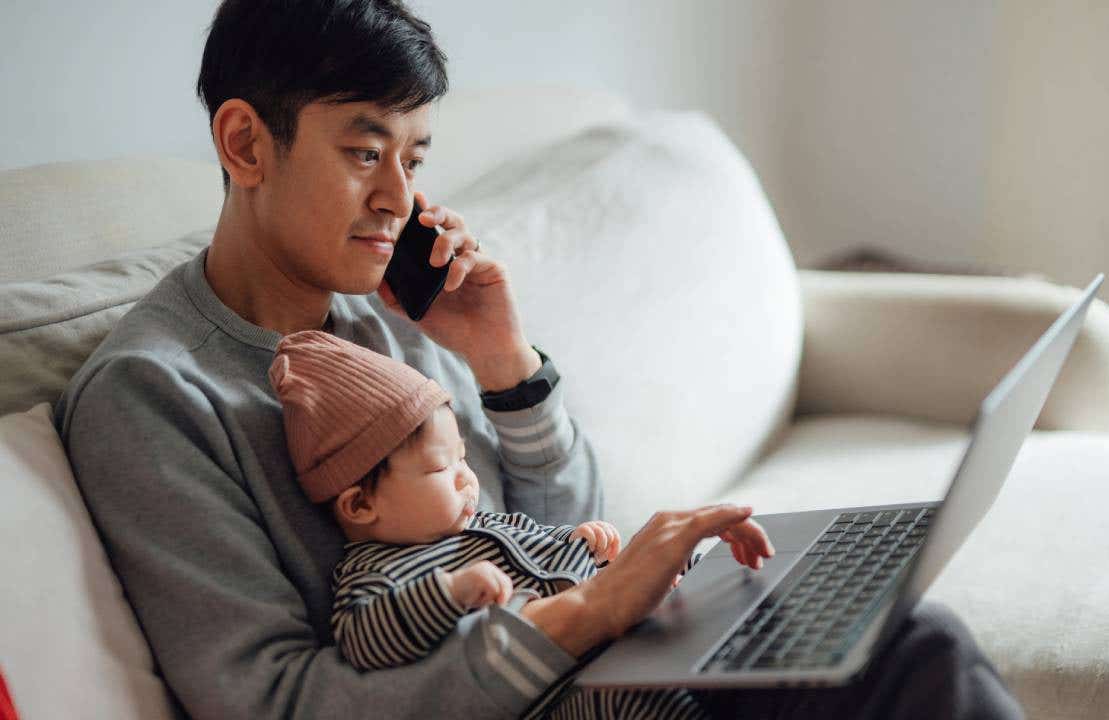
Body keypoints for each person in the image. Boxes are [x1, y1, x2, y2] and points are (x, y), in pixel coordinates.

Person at [53, 1, 1026, 718]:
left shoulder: (380, 323)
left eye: (414, 158)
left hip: (596, 674)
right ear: (245, 142)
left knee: (907, 643)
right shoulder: (150, 397)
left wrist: (498, 356)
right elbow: (275, 703)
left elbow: (554, 527)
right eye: (363, 152)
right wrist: (586, 616)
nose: (397, 195)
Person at [268, 329, 747, 719]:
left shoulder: (487, 525)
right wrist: (451, 593)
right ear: (359, 506)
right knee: (632, 700)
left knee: (713, 592)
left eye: (464, 459)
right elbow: (365, 640)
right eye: (441, 469)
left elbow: (544, 549)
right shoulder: (374, 573)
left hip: (614, 643)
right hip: (561, 696)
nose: (467, 479)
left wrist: (581, 542)